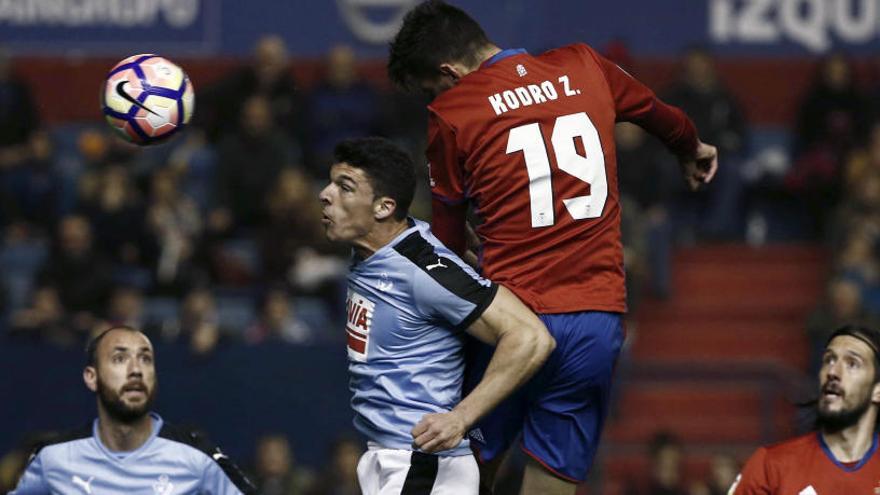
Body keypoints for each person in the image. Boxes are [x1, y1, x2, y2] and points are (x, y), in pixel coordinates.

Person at [387, 2, 719, 493]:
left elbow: (450, 246)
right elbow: (659, 115)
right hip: (595, 322)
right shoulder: (586, 66)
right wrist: (691, 148)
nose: (434, 100)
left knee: (462, 479)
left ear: (447, 72)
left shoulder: (453, 113)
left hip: (509, 324)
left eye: (432, 90)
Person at [318, 137, 555, 494]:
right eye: (331, 182)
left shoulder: (423, 270)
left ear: (383, 207)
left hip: (422, 463)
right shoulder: (370, 252)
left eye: (345, 187)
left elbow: (531, 337)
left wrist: (461, 417)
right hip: (389, 458)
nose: (325, 194)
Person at [10, 325, 256, 494]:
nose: (136, 369)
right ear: (91, 377)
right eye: (119, 358)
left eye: (145, 359)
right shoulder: (53, 457)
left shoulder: (197, 456)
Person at [730, 325, 880, 494]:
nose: (832, 372)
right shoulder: (771, 467)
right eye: (829, 360)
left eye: (852, 364)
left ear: (877, 391)